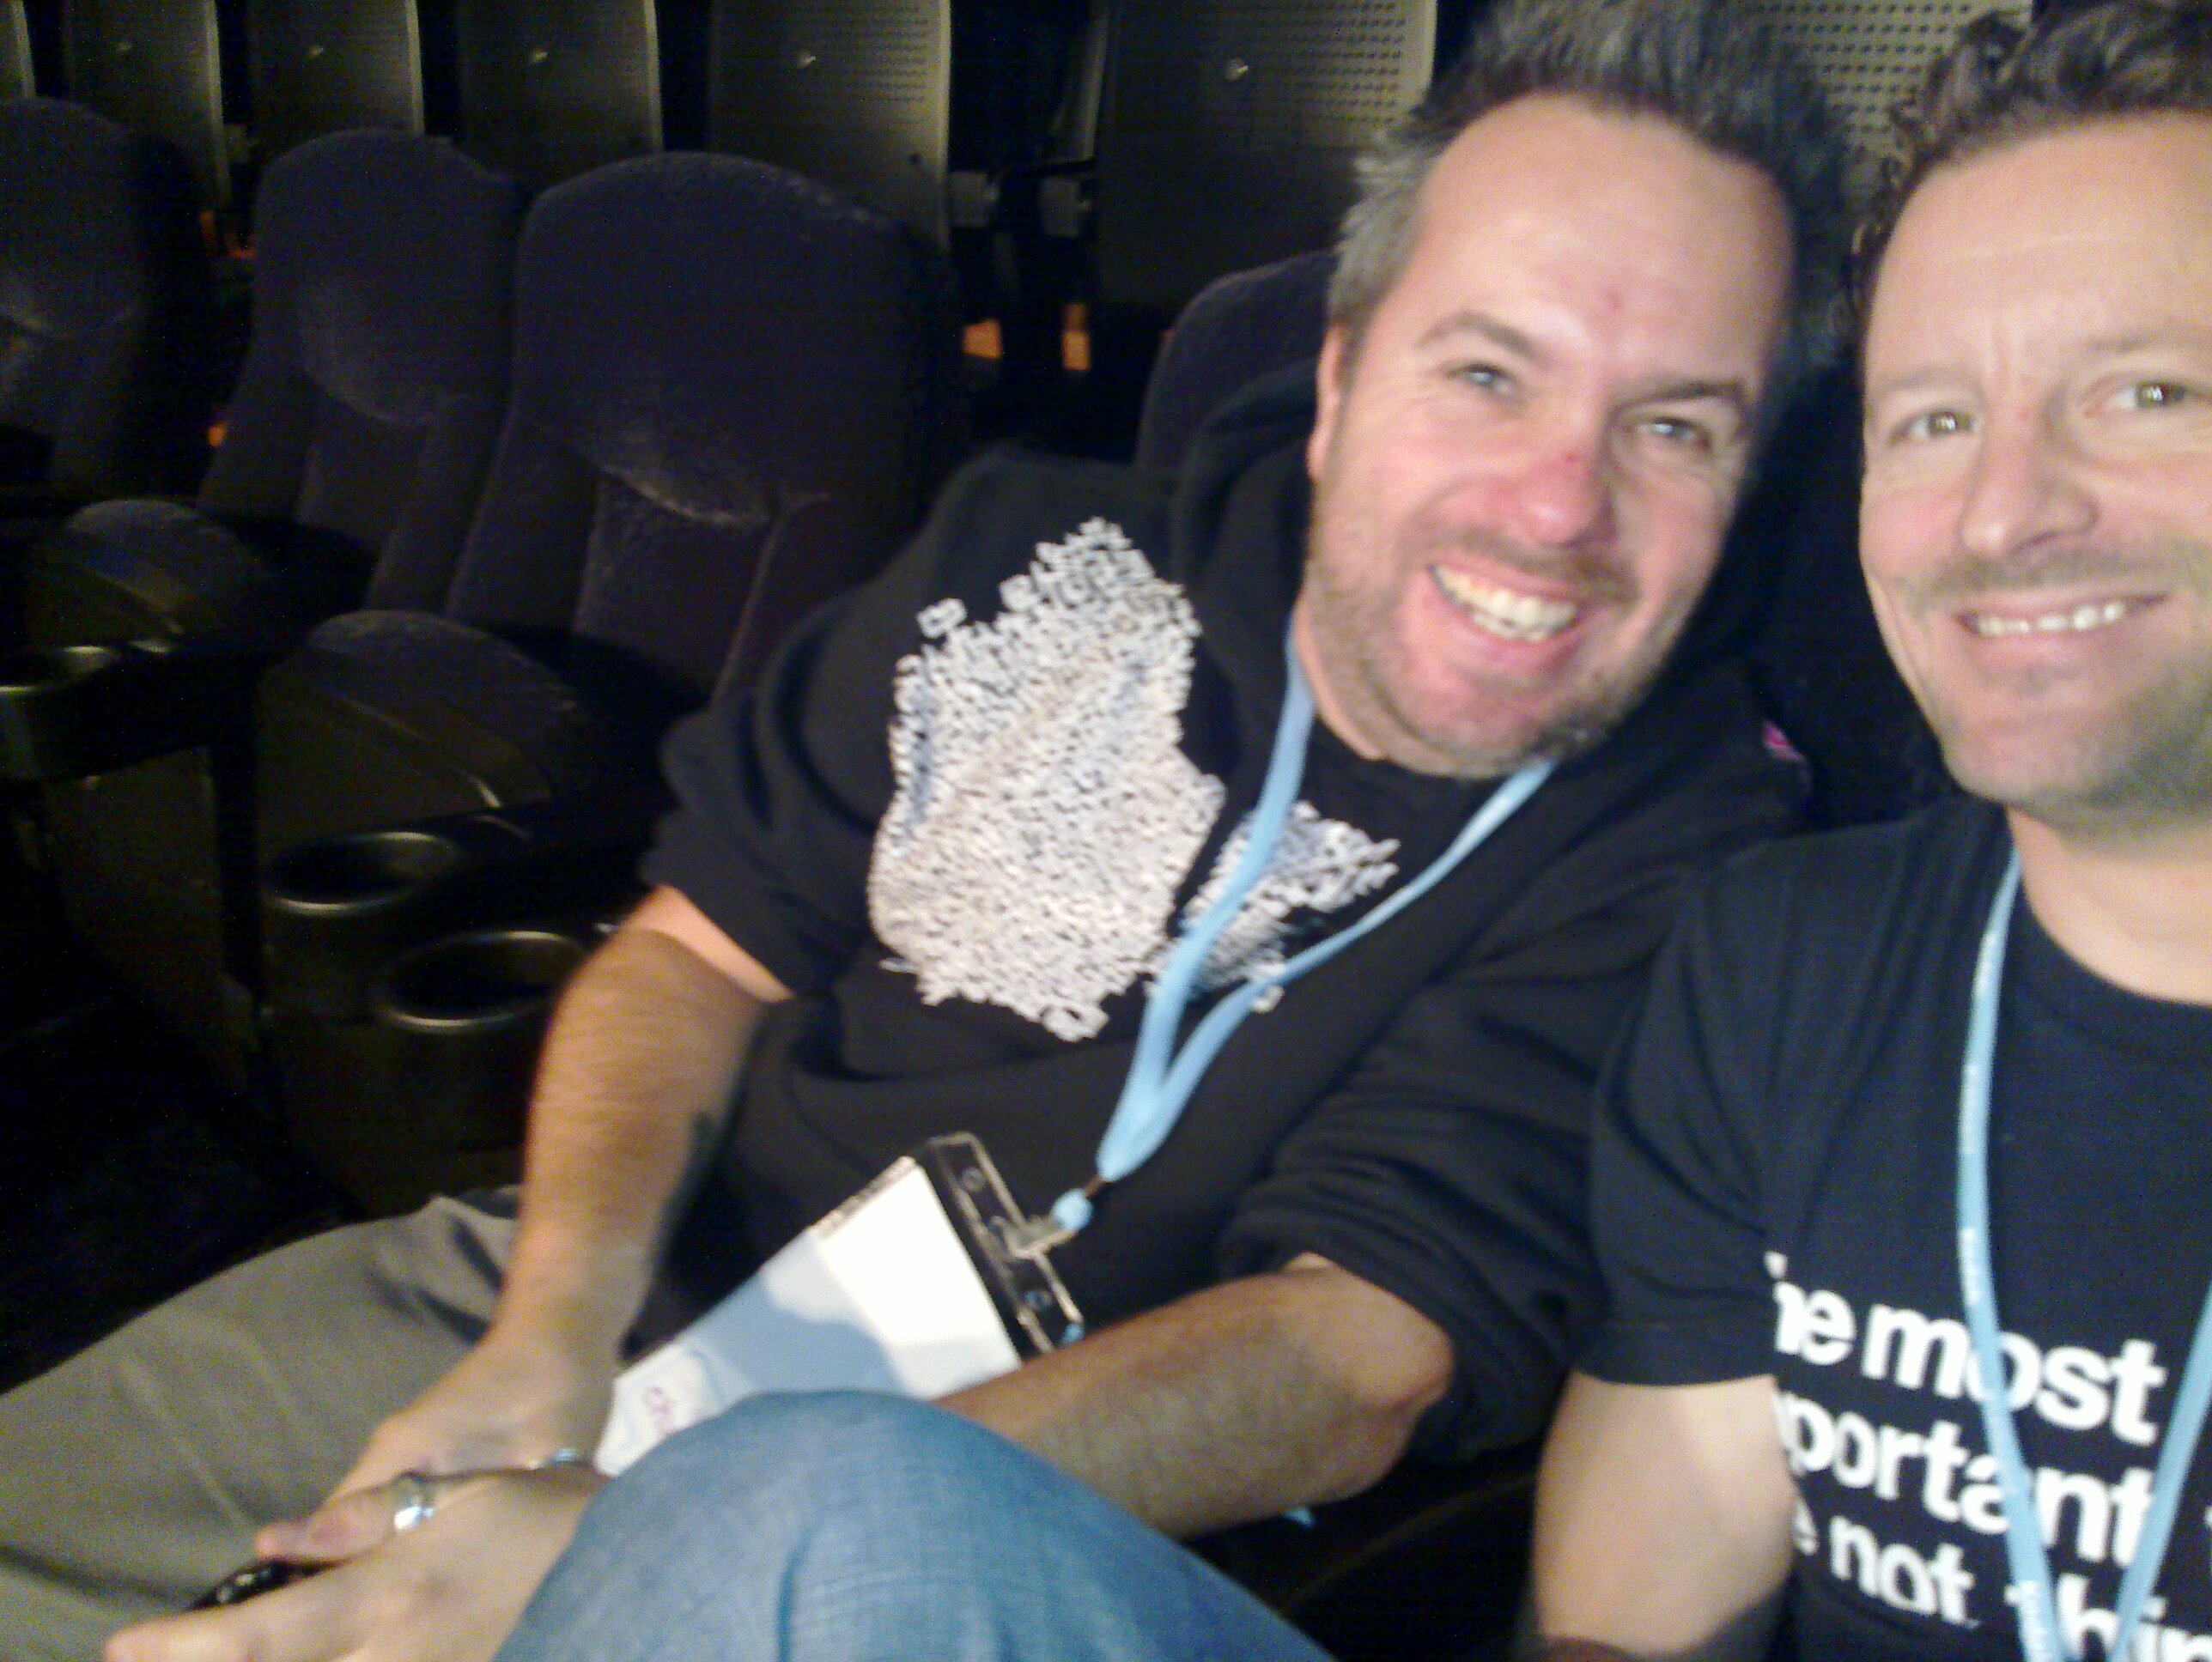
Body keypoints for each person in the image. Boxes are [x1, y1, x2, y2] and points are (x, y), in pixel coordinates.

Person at [7, 0, 1843, 1657]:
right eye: (1488, 373)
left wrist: (655, 1522)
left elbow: (1351, 1353)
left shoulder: (1690, 841)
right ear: (1345, 380)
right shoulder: (1034, 546)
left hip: (1034, 1473)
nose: (1557, 506)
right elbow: (687, 958)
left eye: (1675, 428)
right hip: (616, 1276)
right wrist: (547, 1334)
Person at [1528, 3, 2212, 1659]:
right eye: (1933, 420)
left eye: (2146, 392)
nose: (2002, 512)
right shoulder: (1777, 966)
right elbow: (1633, 1614)